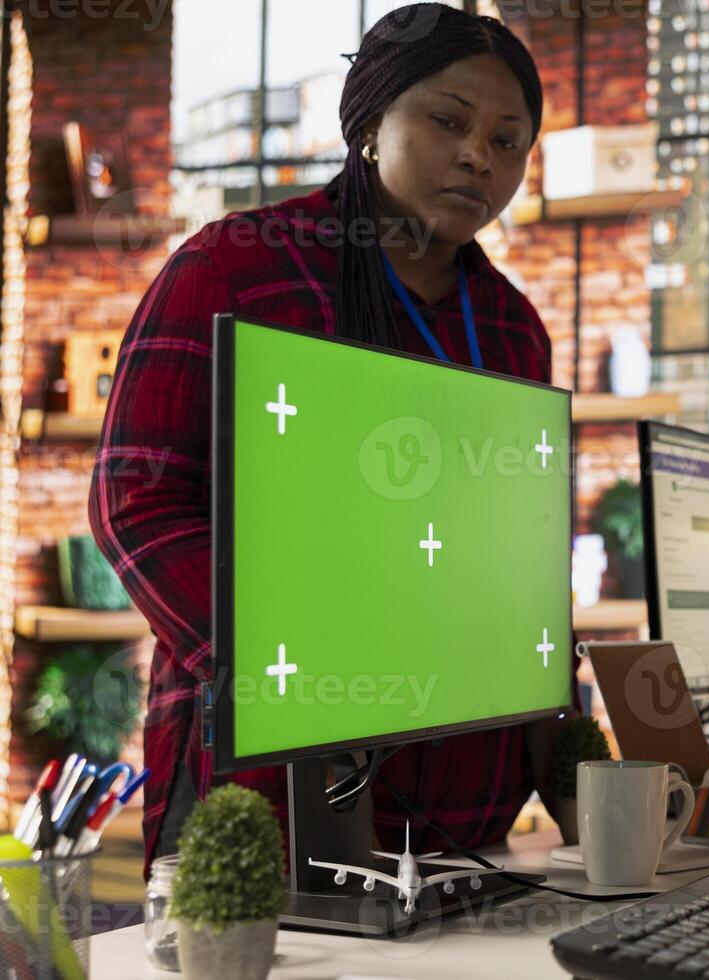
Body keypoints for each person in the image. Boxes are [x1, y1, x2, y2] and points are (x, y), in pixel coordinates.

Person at [90, 4, 561, 877]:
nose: (477, 157)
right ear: (370, 120)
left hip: (467, 802)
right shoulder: (234, 266)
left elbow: (518, 554)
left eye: (508, 141)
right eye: (449, 121)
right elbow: (137, 503)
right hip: (270, 783)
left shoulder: (513, 329)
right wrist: (296, 676)